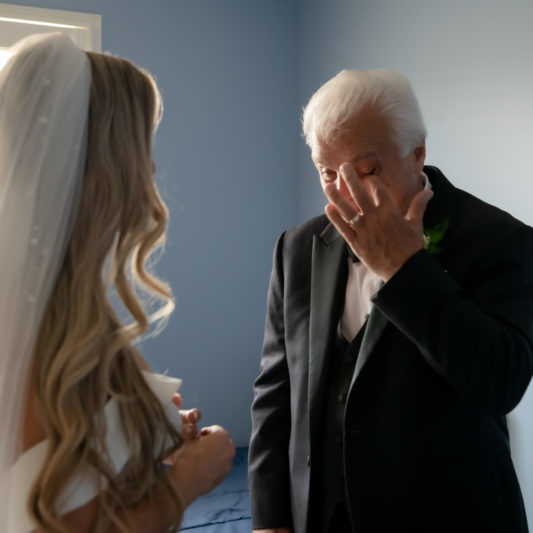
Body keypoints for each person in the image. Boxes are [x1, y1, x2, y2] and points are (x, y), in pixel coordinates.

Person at [248, 69, 533, 533]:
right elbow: (275, 390)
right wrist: (270, 516)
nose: (346, 193)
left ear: (417, 152)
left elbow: (502, 381)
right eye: (327, 173)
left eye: (366, 171)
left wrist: (406, 270)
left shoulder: (501, 240)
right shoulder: (298, 247)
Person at [0, 33, 235, 533]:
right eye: (141, 148)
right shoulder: (33, 328)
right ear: (101, 167)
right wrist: (189, 479)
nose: (150, 169)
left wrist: (151, 433)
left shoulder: (68, 310)